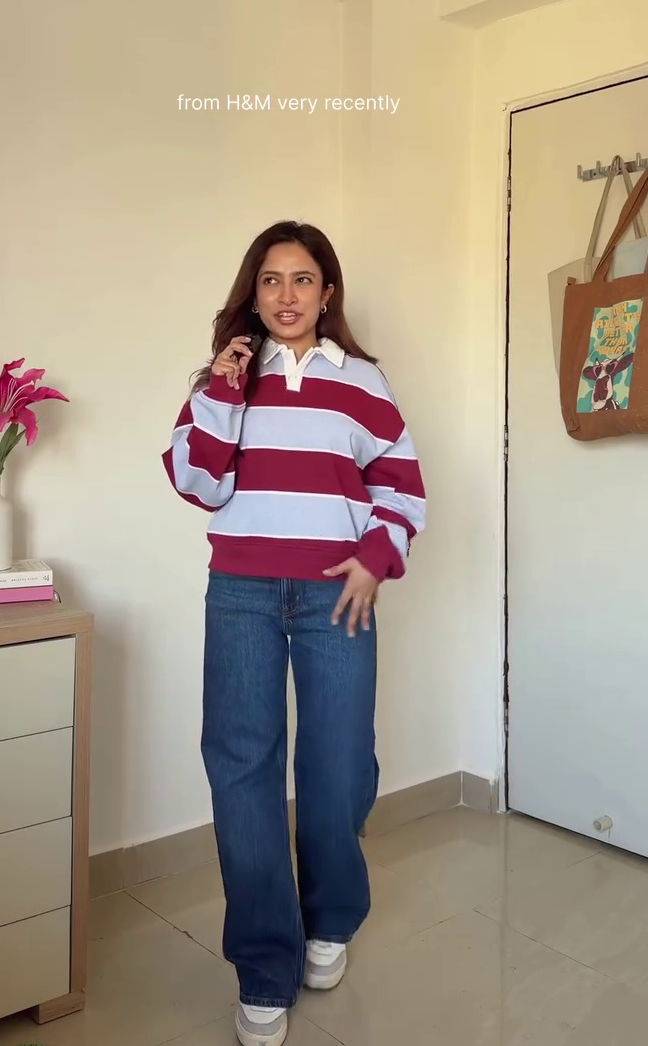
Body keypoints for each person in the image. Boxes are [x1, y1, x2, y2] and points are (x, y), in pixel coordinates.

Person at [163, 221, 426, 1046]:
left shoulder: (364, 383)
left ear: (328, 293)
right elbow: (198, 485)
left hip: (334, 596)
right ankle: (263, 966)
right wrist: (223, 389)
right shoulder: (221, 381)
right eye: (271, 280)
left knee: (341, 762)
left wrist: (374, 561)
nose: (286, 296)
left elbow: (404, 487)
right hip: (239, 592)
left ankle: (329, 920)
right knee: (243, 768)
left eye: (303, 280)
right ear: (253, 291)